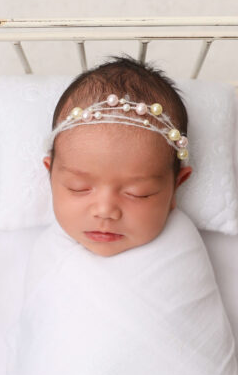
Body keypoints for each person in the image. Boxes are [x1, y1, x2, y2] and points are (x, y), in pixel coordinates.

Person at [43, 57, 193, 257]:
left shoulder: (183, 250)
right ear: (50, 176)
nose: (105, 210)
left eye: (138, 193)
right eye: (78, 187)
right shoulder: (43, 249)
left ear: (176, 185)